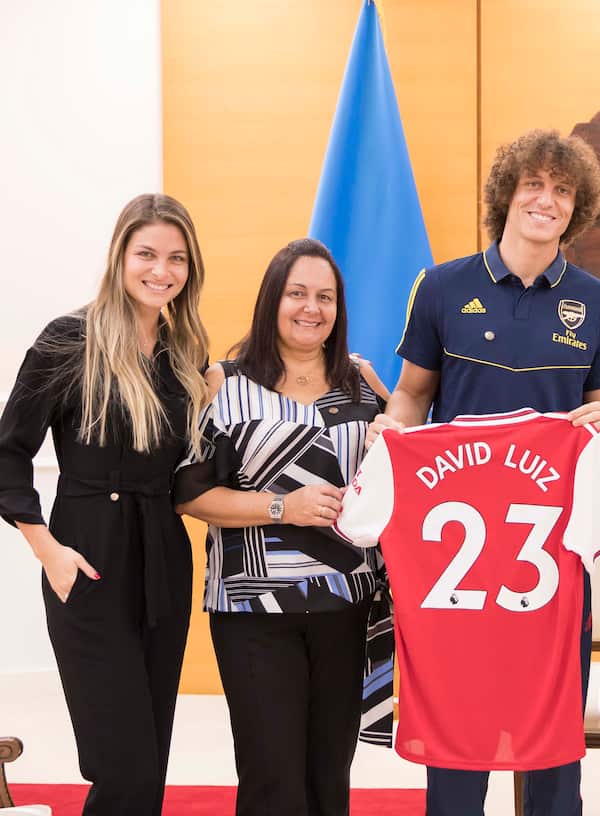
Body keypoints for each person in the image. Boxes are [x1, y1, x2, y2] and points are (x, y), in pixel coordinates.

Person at [366, 128, 600, 816]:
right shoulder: (444, 286)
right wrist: (395, 427)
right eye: (534, 184)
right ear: (506, 193)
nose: (547, 200)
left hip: (552, 553)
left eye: (563, 191)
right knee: (459, 731)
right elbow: (413, 393)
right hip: (459, 556)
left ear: (579, 208)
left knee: (553, 738)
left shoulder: (599, 302)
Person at [0, 194, 210, 815]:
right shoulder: (70, 341)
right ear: (120, 256)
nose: (161, 270)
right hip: (86, 564)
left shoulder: (186, 355)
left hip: (164, 566)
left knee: (149, 766)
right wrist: (49, 553)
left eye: (176, 258)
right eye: (146, 254)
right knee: (124, 765)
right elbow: (8, 453)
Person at [174, 238, 391, 816]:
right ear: (273, 298)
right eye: (297, 293)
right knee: (273, 778)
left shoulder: (364, 384)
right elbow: (188, 495)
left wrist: (392, 439)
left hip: (347, 606)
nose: (311, 308)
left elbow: (409, 469)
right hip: (252, 611)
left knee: (329, 773)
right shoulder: (223, 383)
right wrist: (281, 507)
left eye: (325, 297)